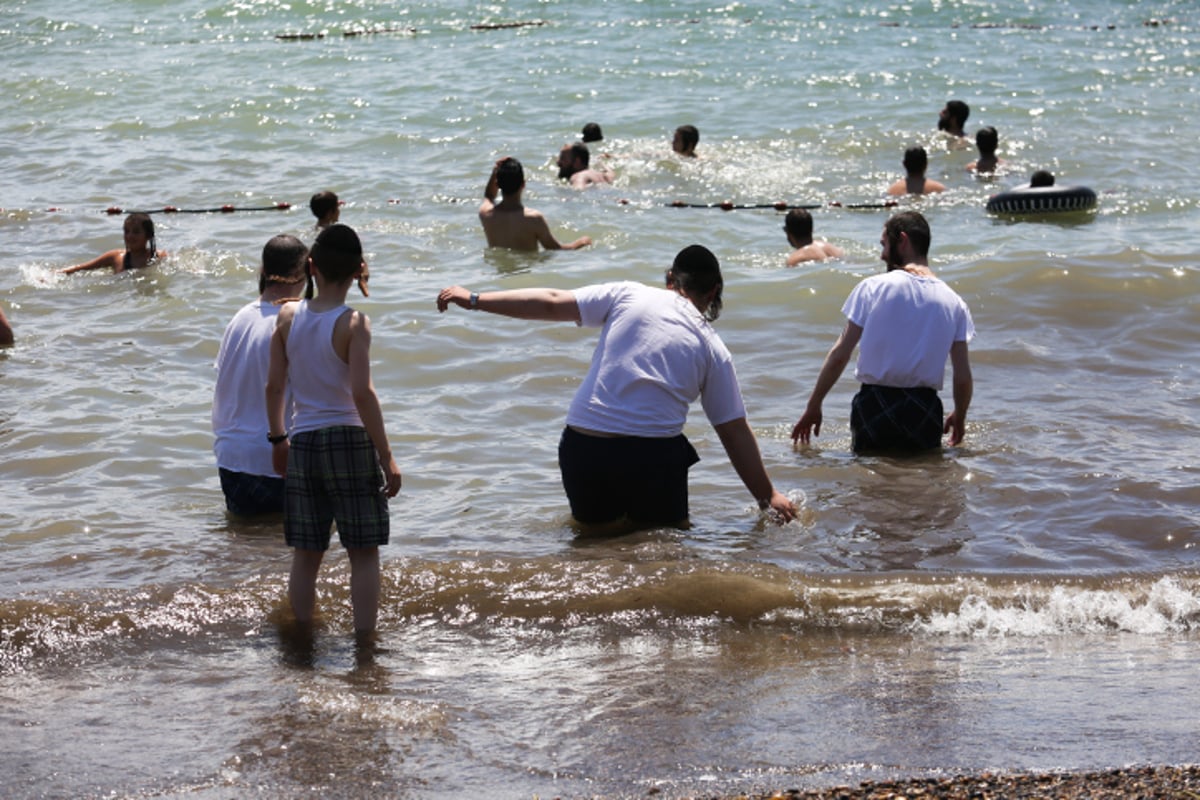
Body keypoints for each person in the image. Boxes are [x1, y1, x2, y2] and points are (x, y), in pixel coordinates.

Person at [436, 244, 798, 529]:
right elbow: (732, 429)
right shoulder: (712, 346)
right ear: (714, 291)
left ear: (670, 278)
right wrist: (768, 496)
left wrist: (474, 299)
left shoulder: (628, 293)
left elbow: (550, 302)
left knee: (594, 545)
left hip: (583, 448)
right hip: (651, 460)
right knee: (663, 551)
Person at [265, 224, 402, 640]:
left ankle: (303, 635)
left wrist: (278, 438)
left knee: (306, 554)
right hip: (348, 440)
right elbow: (362, 393)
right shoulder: (354, 322)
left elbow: (274, 386)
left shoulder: (287, 317)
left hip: (304, 439)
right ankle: (364, 642)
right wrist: (387, 456)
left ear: (311, 267)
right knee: (362, 553)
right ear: (359, 270)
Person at [791, 211, 974, 454]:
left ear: (902, 240)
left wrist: (814, 405)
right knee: (924, 484)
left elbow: (840, 355)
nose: (882, 254)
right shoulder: (954, 302)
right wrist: (960, 415)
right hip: (925, 410)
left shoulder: (873, 287)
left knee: (871, 484)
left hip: (875, 406)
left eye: (884, 244)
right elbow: (962, 375)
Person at [212, 235, 309, 517]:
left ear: (263, 269)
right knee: (290, 549)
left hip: (230, 455)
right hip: (274, 456)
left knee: (247, 546)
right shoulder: (295, 321)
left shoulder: (240, 318)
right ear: (302, 272)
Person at [479, 157, 592, 251]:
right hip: (526, 274)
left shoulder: (486, 214)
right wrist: (580, 243)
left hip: (500, 274)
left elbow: (489, 195)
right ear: (523, 184)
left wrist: (495, 171)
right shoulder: (533, 218)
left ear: (497, 184)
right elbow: (555, 248)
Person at [60, 213, 166, 274]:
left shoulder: (158, 256)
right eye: (126, 231)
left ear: (148, 236)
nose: (129, 236)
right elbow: (81, 268)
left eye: (136, 232)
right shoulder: (116, 257)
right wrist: (55, 274)